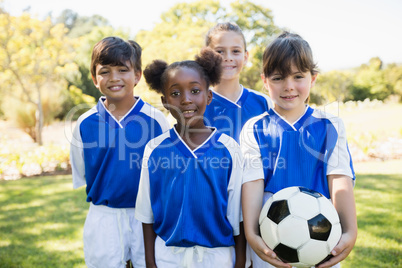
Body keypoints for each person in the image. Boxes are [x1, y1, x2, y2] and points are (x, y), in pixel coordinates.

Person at [240, 32, 357, 268]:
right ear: (264, 81)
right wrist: (252, 234)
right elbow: (252, 184)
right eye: (278, 78)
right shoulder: (255, 128)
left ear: (312, 78)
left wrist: (350, 231)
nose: (289, 86)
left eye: (298, 76)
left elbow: (339, 180)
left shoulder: (330, 126)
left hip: (322, 239)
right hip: (270, 241)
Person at [135, 47, 246, 268]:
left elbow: (237, 214)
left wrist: (241, 260)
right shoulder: (155, 148)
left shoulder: (229, 148)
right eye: (175, 94)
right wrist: (150, 261)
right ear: (165, 101)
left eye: (195, 91)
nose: (186, 100)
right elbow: (146, 212)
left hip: (218, 257)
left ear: (209, 96)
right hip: (168, 256)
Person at [70, 36, 169, 268]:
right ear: (94, 78)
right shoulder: (84, 124)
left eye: (122, 70)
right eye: (105, 71)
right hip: (103, 216)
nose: (114, 78)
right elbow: (83, 171)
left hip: (147, 216)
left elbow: (164, 173)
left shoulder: (157, 121)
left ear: (136, 75)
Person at [203, 22, 273, 143]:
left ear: (245, 57)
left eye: (235, 51)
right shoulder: (198, 104)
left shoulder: (264, 103)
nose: (228, 57)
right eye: (219, 51)